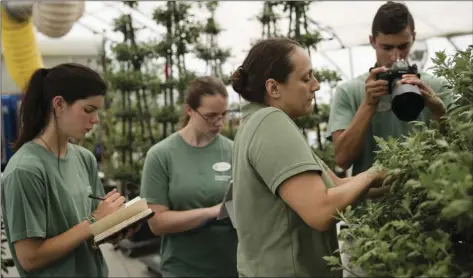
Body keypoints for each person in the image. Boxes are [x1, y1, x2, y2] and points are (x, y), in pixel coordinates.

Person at [229, 37, 387, 277]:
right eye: (306, 78)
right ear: (273, 88)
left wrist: (392, 176)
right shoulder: (270, 122)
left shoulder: (256, 123)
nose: (316, 85)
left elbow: (338, 185)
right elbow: (321, 211)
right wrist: (373, 174)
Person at [1, 63, 136, 277]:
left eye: (98, 111)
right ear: (59, 104)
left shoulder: (84, 158)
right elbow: (30, 258)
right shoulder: (25, 170)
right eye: (88, 110)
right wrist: (94, 221)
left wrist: (116, 229)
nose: (96, 120)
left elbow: (89, 233)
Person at [327, 1, 453, 176]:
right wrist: (368, 105)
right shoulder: (350, 91)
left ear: (413, 38)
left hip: (427, 197)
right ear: (372, 41)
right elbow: (342, 160)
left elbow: (458, 151)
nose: (395, 56)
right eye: (386, 47)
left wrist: (438, 111)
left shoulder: (436, 87)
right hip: (372, 202)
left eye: (403, 46)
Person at [140, 76, 237, 277]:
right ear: (190, 110)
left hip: (230, 267)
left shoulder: (233, 151)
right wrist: (213, 212)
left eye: (224, 114)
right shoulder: (161, 155)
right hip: (181, 269)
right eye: (211, 116)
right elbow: (157, 224)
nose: (219, 122)